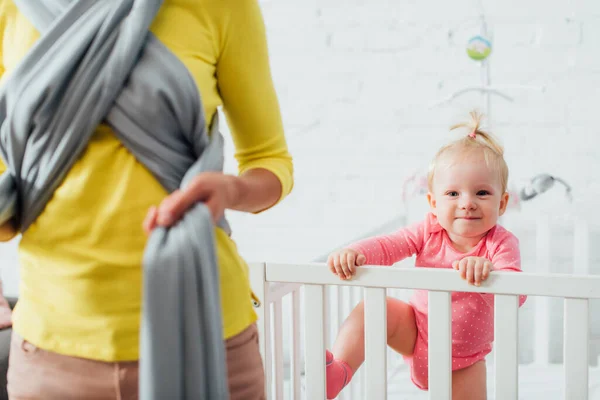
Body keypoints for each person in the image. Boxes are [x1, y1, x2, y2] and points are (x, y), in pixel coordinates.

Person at [0, 0, 292, 398]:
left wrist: (230, 190)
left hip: (203, 337)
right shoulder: (11, 10)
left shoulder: (221, 6)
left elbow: (268, 159)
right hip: (54, 353)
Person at [325, 111, 525, 400]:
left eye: (481, 193)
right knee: (372, 308)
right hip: (416, 334)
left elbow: (517, 294)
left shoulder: (500, 244)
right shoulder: (429, 231)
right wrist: (355, 253)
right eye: (453, 194)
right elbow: (388, 245)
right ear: (433, 202)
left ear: (502, 202)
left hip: (464, 361)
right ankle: (339, 371)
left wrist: (490, 273)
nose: (467, 204)